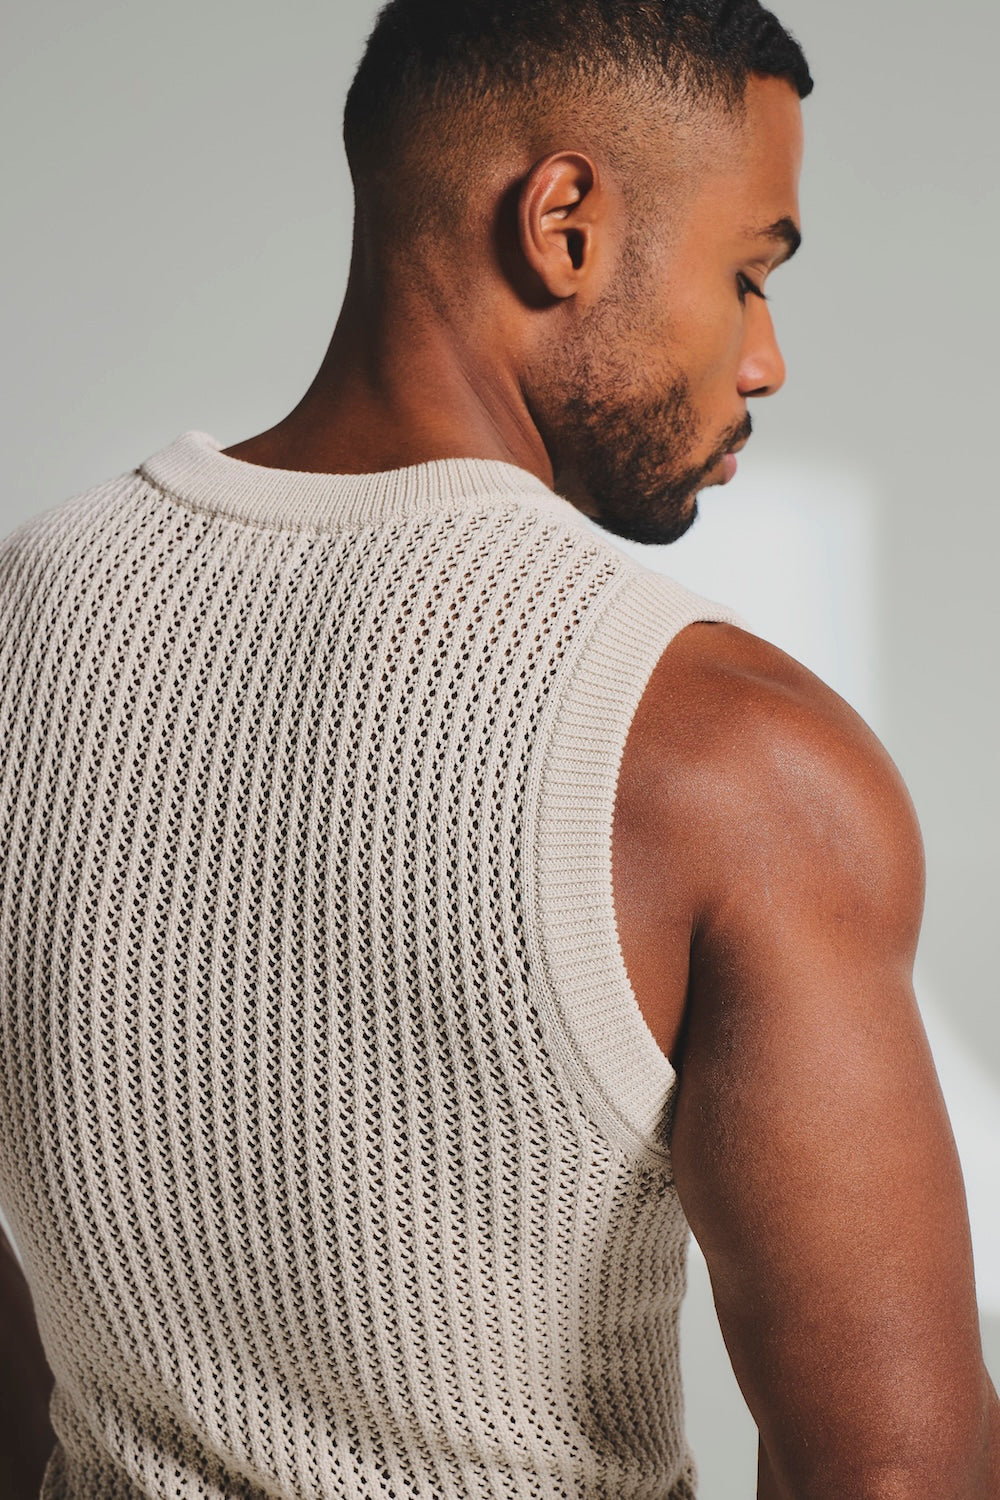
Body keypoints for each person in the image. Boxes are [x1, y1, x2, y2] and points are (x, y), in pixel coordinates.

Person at [1, 0, 997, 1495]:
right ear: (565, 226)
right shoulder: (736, 759)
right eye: (747, 274)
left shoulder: (26, 611)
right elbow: (901, 1477)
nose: (767, 359)